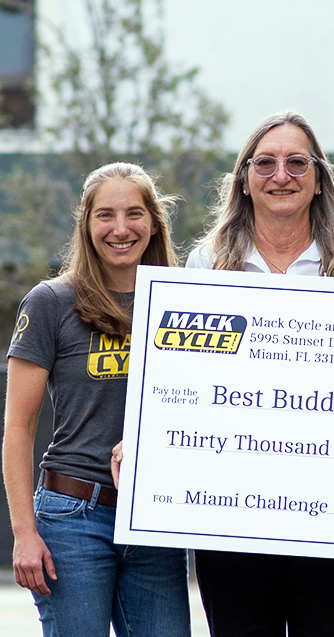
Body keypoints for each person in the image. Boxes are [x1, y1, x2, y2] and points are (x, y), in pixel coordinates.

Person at [186, 110, 334, 636]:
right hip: (233, 506)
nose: (281, 175)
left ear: (318, 180)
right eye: (265, 163)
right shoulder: (207, 265)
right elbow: (186, 381)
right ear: (245, 180)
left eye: (297, 163)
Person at [2, 162, 191, 636]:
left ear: (154, 222)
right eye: (105, 215)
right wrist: (24, 532)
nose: (121, 229)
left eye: (134, 213)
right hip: (73, 518)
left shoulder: (185, 300)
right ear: (86, 223)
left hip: (154, 519)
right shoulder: (50, 302)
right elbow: (18, 428)